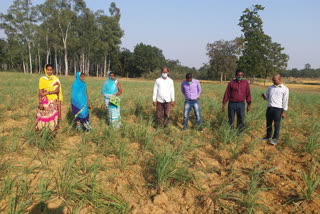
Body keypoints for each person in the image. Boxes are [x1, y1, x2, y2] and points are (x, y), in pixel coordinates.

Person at [261, 74, 289, 145]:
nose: (273, 81)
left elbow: (285, 101)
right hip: (270, 108)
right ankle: (268, 136)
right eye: (272, 80)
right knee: (268, 123)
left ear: (279, 79)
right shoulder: (270, 87)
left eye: (274, 80)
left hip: (278, 109)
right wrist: (264, 96)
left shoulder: (285, 89)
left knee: (276, 124)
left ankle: (275, 138)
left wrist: (284, 112)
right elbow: (266, 97)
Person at [36, 64, 63, 132]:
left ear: (53, 70)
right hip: (44, 101)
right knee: (43, 115)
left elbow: (57, 91)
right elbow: (40, 93)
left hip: (53, 100)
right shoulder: (42, 79)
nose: (49, 71)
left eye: (51, 70)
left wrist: (47, 92)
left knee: (52, 116)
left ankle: (51, 132)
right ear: (45, 70)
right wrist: (40, 103)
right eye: (48, 70)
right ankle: (42, 131)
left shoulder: (56, 79)